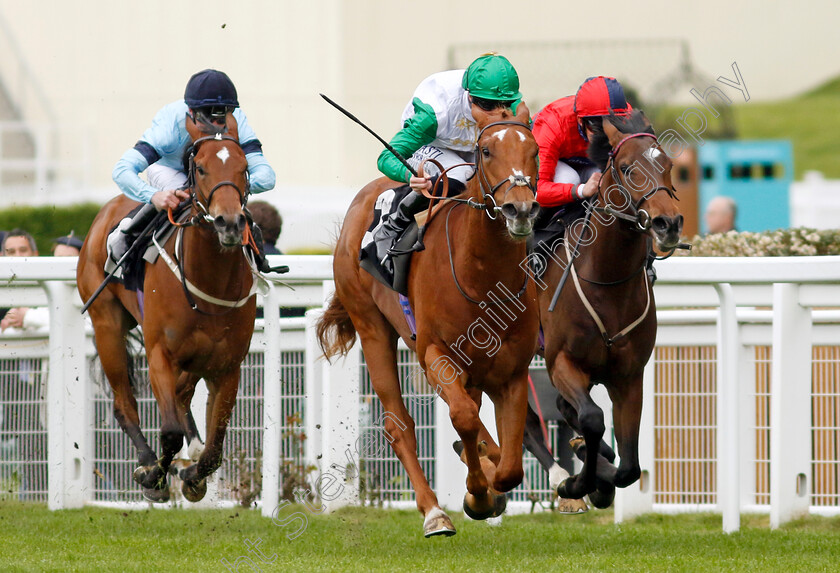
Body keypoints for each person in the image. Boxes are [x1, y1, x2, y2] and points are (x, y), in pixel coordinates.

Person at [109, 69, 276, 267]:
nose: (216, 125)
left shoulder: (237, 119)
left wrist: (227, 186)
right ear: (191, 112)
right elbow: (122, 170)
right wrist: (154, 196)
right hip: (168, 171)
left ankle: (257, 258)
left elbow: (267, 177)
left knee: (229, 202)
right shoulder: (168, 128)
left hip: (215, 176)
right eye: (208, 117)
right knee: (184, 199)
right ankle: (127, 233)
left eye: (222, 115)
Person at [372, 53, 526, 255]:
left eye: (504, 105)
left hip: (474, 144)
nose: (497, 114)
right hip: (434, 142)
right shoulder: (434, 114)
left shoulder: (513, 108)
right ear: (469, 96)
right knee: (462, 175)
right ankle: (396, 222)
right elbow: (386, 158)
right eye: (488, 106)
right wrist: (412, 177)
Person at [532, 76, 632, 209]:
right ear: (580, 121)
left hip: (589, 164)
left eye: (614, 125)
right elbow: (536, 190)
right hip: (554, 165)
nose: (606, 136)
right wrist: (580, 190)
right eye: (598, 128)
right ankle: (547, 227)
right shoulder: (552, 124)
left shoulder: (628, 117)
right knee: (569, 179)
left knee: (614, 180)